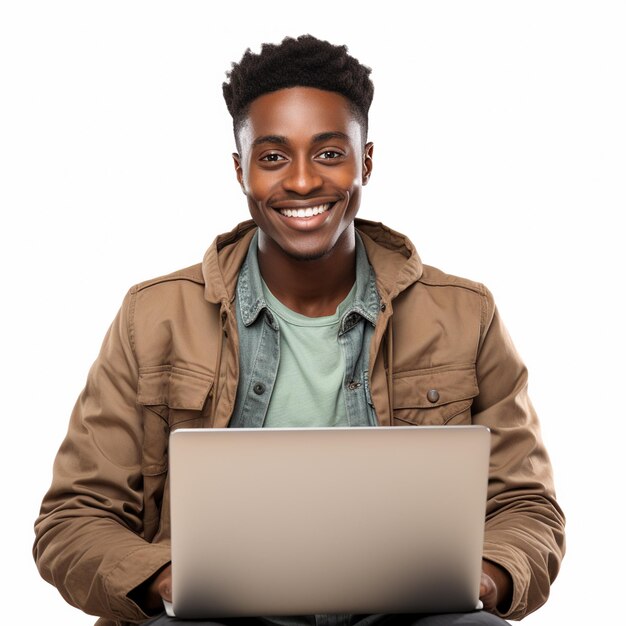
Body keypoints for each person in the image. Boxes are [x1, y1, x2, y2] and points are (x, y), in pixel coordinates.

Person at [33, 35, 565, 626]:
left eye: (330, 153)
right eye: (273, 157)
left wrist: (485, 576)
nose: (304, 182)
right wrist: (165, 579)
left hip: (403, 614)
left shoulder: (466, 314)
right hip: (218, 618)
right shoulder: (152, 317)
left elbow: (527, 506)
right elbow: (73, 517)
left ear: (366, 161)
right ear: (241, 171)